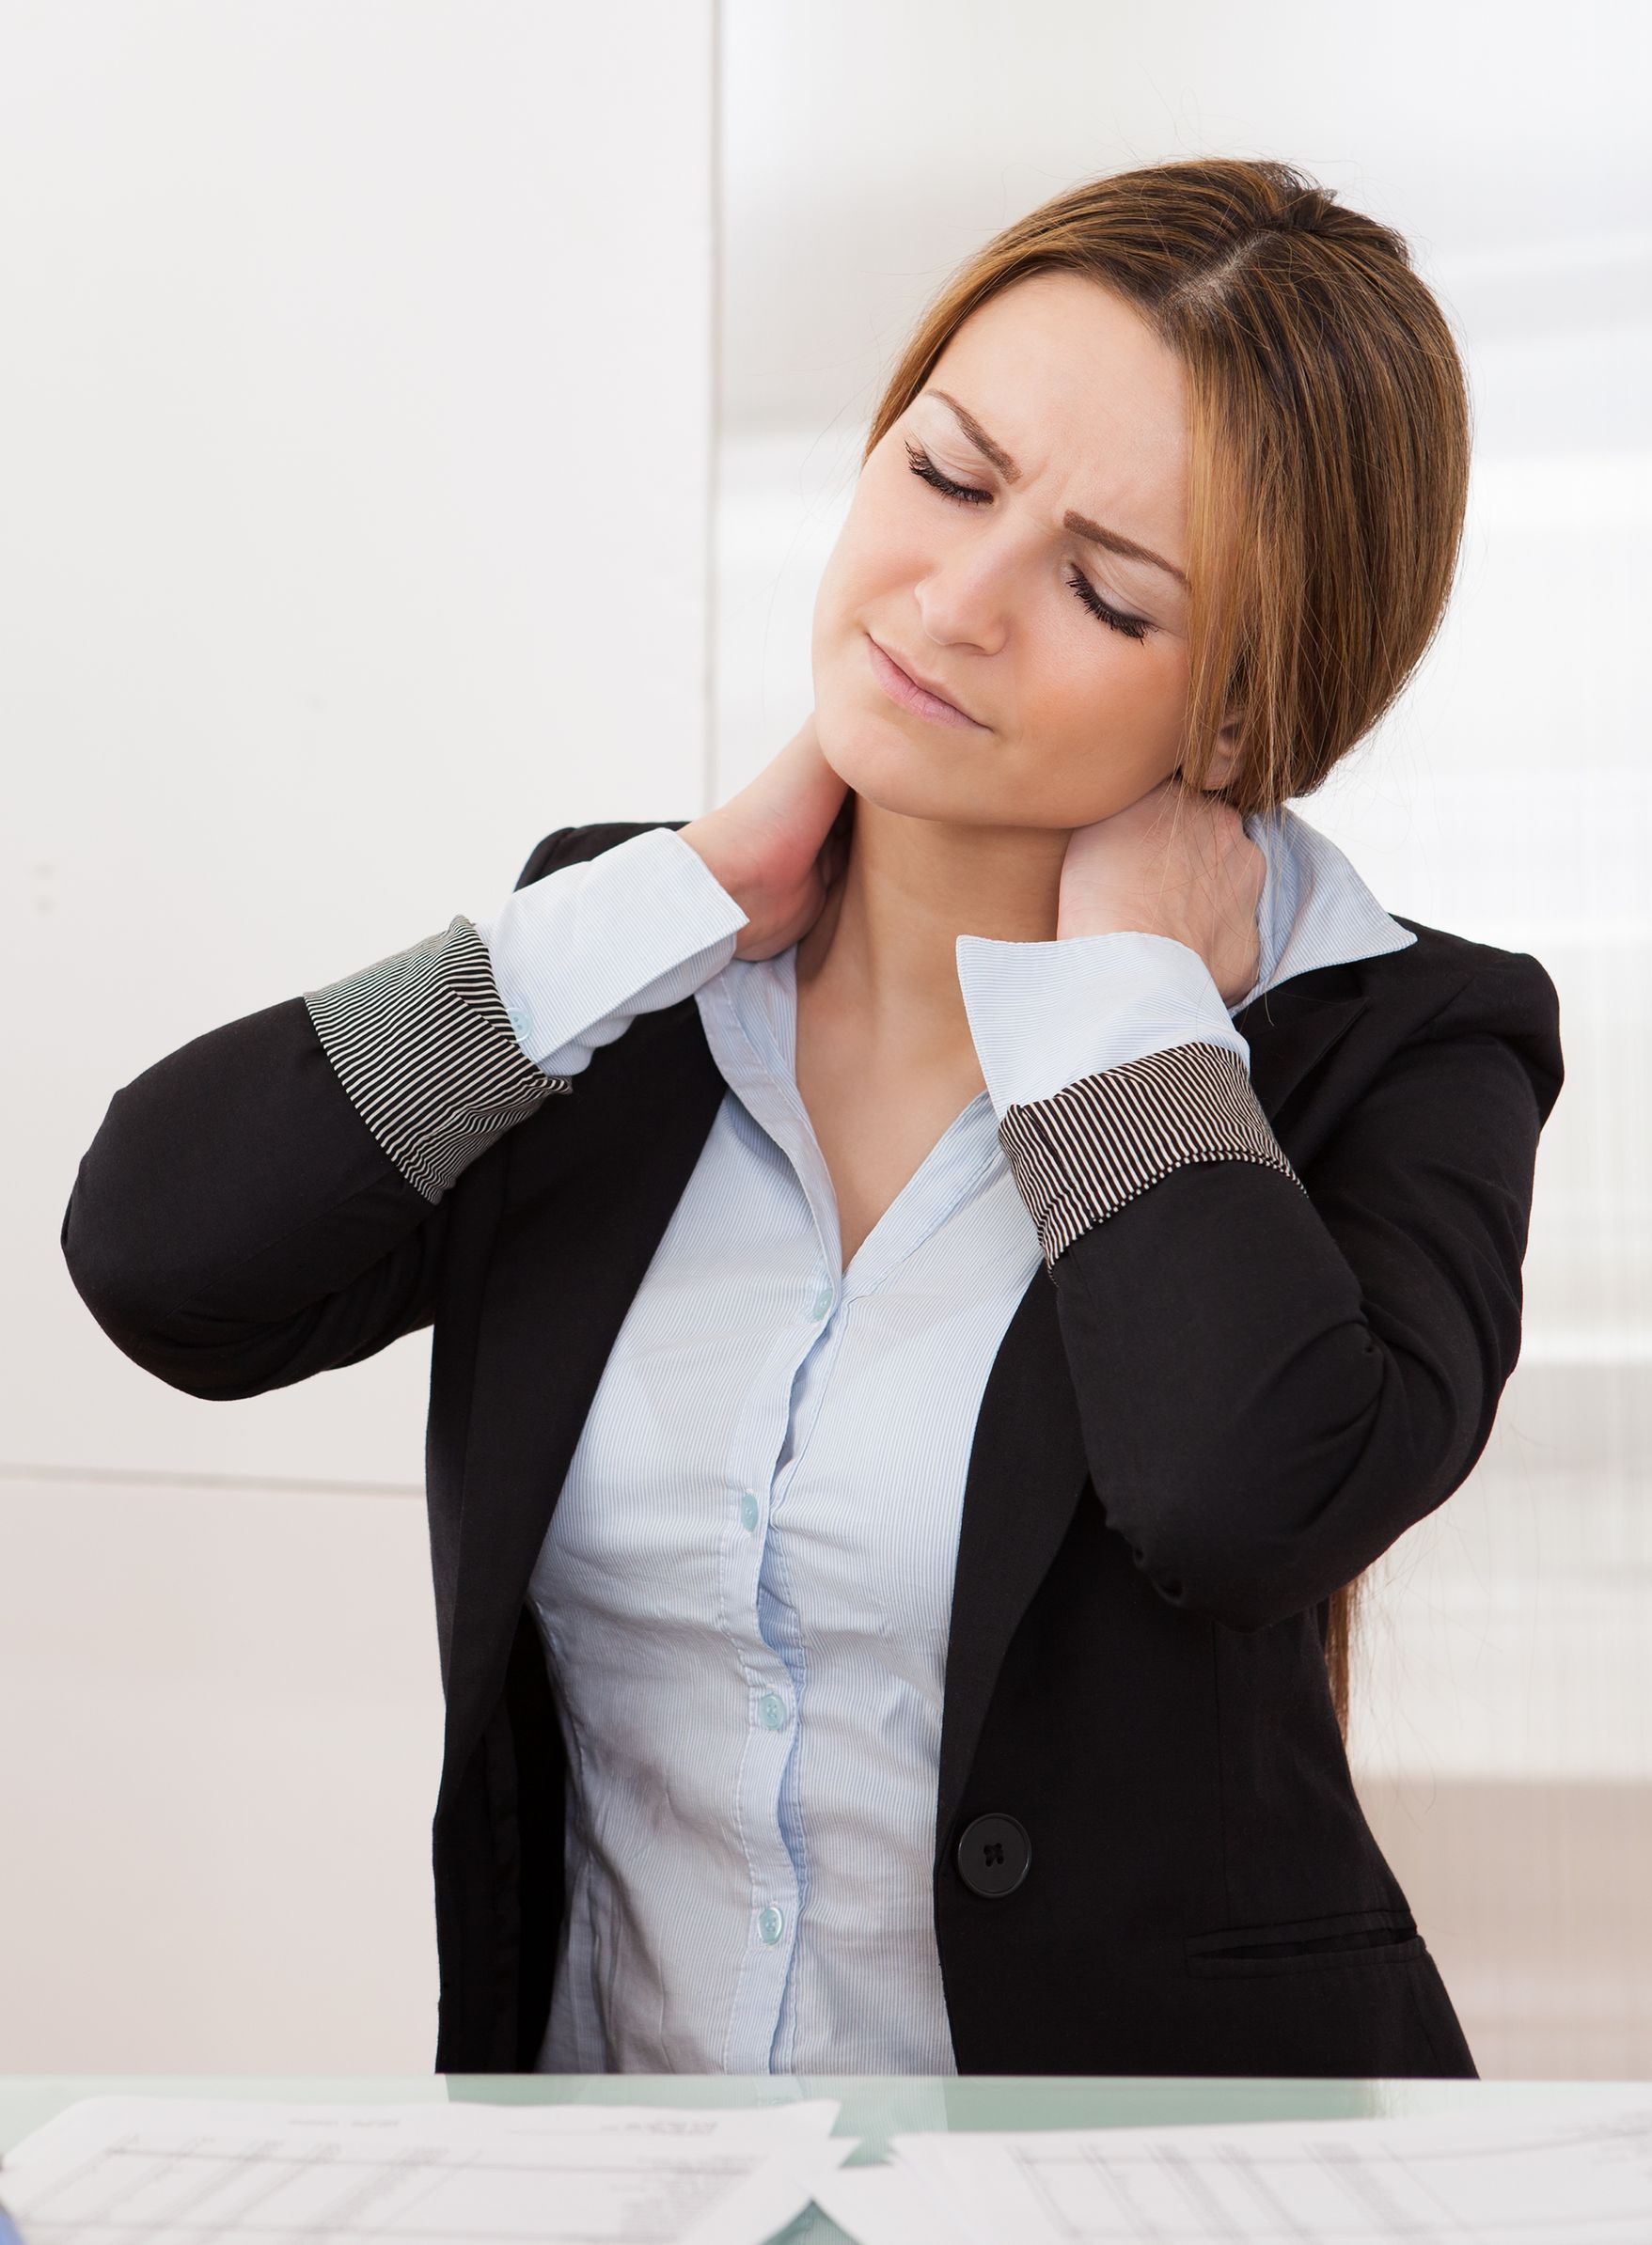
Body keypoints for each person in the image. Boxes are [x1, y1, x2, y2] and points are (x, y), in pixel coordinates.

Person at [62, 155, 1564, 2080]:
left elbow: (1239, 1497)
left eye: (1104, 591)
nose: (953, 602)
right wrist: (669, 894)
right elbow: (161, 1261)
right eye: (946, 475)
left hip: (1164, 2202)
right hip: (628, 2191)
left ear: (1247, 727)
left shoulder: (1404, 1041)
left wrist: (1126, 1006)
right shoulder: (619, 974)